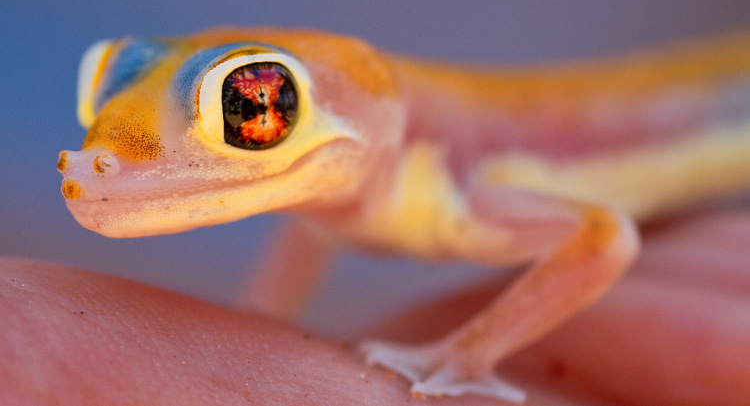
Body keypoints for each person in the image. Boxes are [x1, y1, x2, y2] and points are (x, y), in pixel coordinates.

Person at [2, 208, 748, 405]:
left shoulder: (447, 194)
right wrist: (261, 324)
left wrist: (467, 353)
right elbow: (312, 221)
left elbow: (602, 238)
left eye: (257, 109)